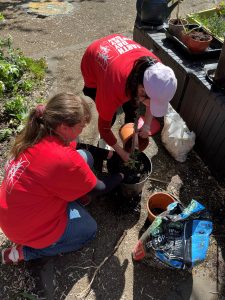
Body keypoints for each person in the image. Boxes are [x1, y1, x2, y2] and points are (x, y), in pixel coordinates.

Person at [0, 93, 123, 264]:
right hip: (24, 227)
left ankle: (74, 198)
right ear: (65, 127)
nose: (83, 130)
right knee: (89, 230)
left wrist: (109, 155)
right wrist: (122, 176)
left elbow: (78, 147)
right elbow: (99, 188)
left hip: (14, 211)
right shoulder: (62, 158)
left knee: (85, 156)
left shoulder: (42, 130)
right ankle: (25, 252)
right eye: (81, 126)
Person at [81, 33, 177, 162]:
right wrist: (121, 152)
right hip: (94, 60)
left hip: (120, 56)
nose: (151, 104)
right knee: (110, 116)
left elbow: (150, 101)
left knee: (132, 109)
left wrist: (147, 125)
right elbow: (103, 127)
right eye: (150, 100)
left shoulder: (159, 73)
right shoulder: (113, 87)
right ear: (142, 90)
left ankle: (131, 135)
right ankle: (103, 142)